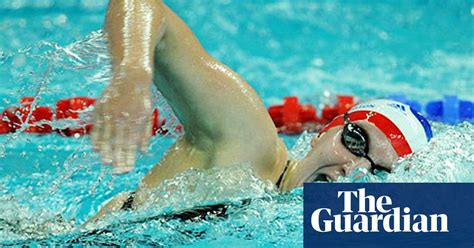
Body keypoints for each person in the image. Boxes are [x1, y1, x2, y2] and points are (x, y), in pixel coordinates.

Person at [88, 0, 432, 222]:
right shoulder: (246, 142)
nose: (353, 169)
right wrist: (132, 73)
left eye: (378, 174)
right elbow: (142, 6)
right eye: (356, 142)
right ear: (321, 131)